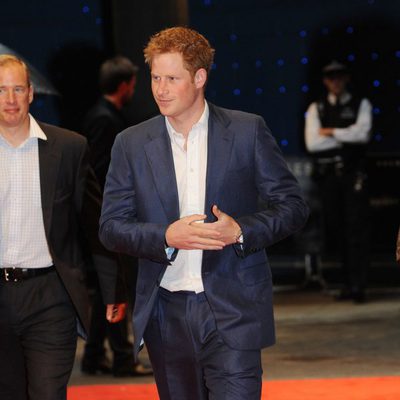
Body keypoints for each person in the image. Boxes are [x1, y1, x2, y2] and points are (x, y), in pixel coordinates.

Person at [99, 27, 309, 399]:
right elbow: (111, 227)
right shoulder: (130, 144)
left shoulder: (247, 131)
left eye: (172, 78)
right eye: (155, 78)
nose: (160, 89)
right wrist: (166, 236)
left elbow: (292, 207)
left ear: (199, 78)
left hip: (233, 307)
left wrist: (240, 231)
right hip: (166, 312)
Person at [0, 54, 126, 400]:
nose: (9, 99)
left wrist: (113, 289)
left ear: (30, 94)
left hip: (51, 295)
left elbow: (94, 223)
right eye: (1, 90)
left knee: (47, 393)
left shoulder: (69, 148)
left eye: (17, 89)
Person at [81, 56, 152, 377]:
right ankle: (123, 358)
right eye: (134, 84)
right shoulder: (104, 119)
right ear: (124, 85)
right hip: (107, 216)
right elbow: (96, 171)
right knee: (116, 286)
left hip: (105, 214)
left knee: (105, 287)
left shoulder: (105, 115)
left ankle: (95, 356)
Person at [305, 60, 372, 303]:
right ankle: (345, 283)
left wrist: (331, 132)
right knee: (337, 228)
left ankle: (359, 284)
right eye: (331, 77)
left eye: (339, 77)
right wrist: (346, 134)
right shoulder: (317, 107)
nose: (335, 81)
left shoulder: (360, 104)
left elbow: (362, 134)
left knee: (356, 229)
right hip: (328, 176)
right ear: (325, 81)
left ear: (346, 79)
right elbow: (313, 143)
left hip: (352, 174)